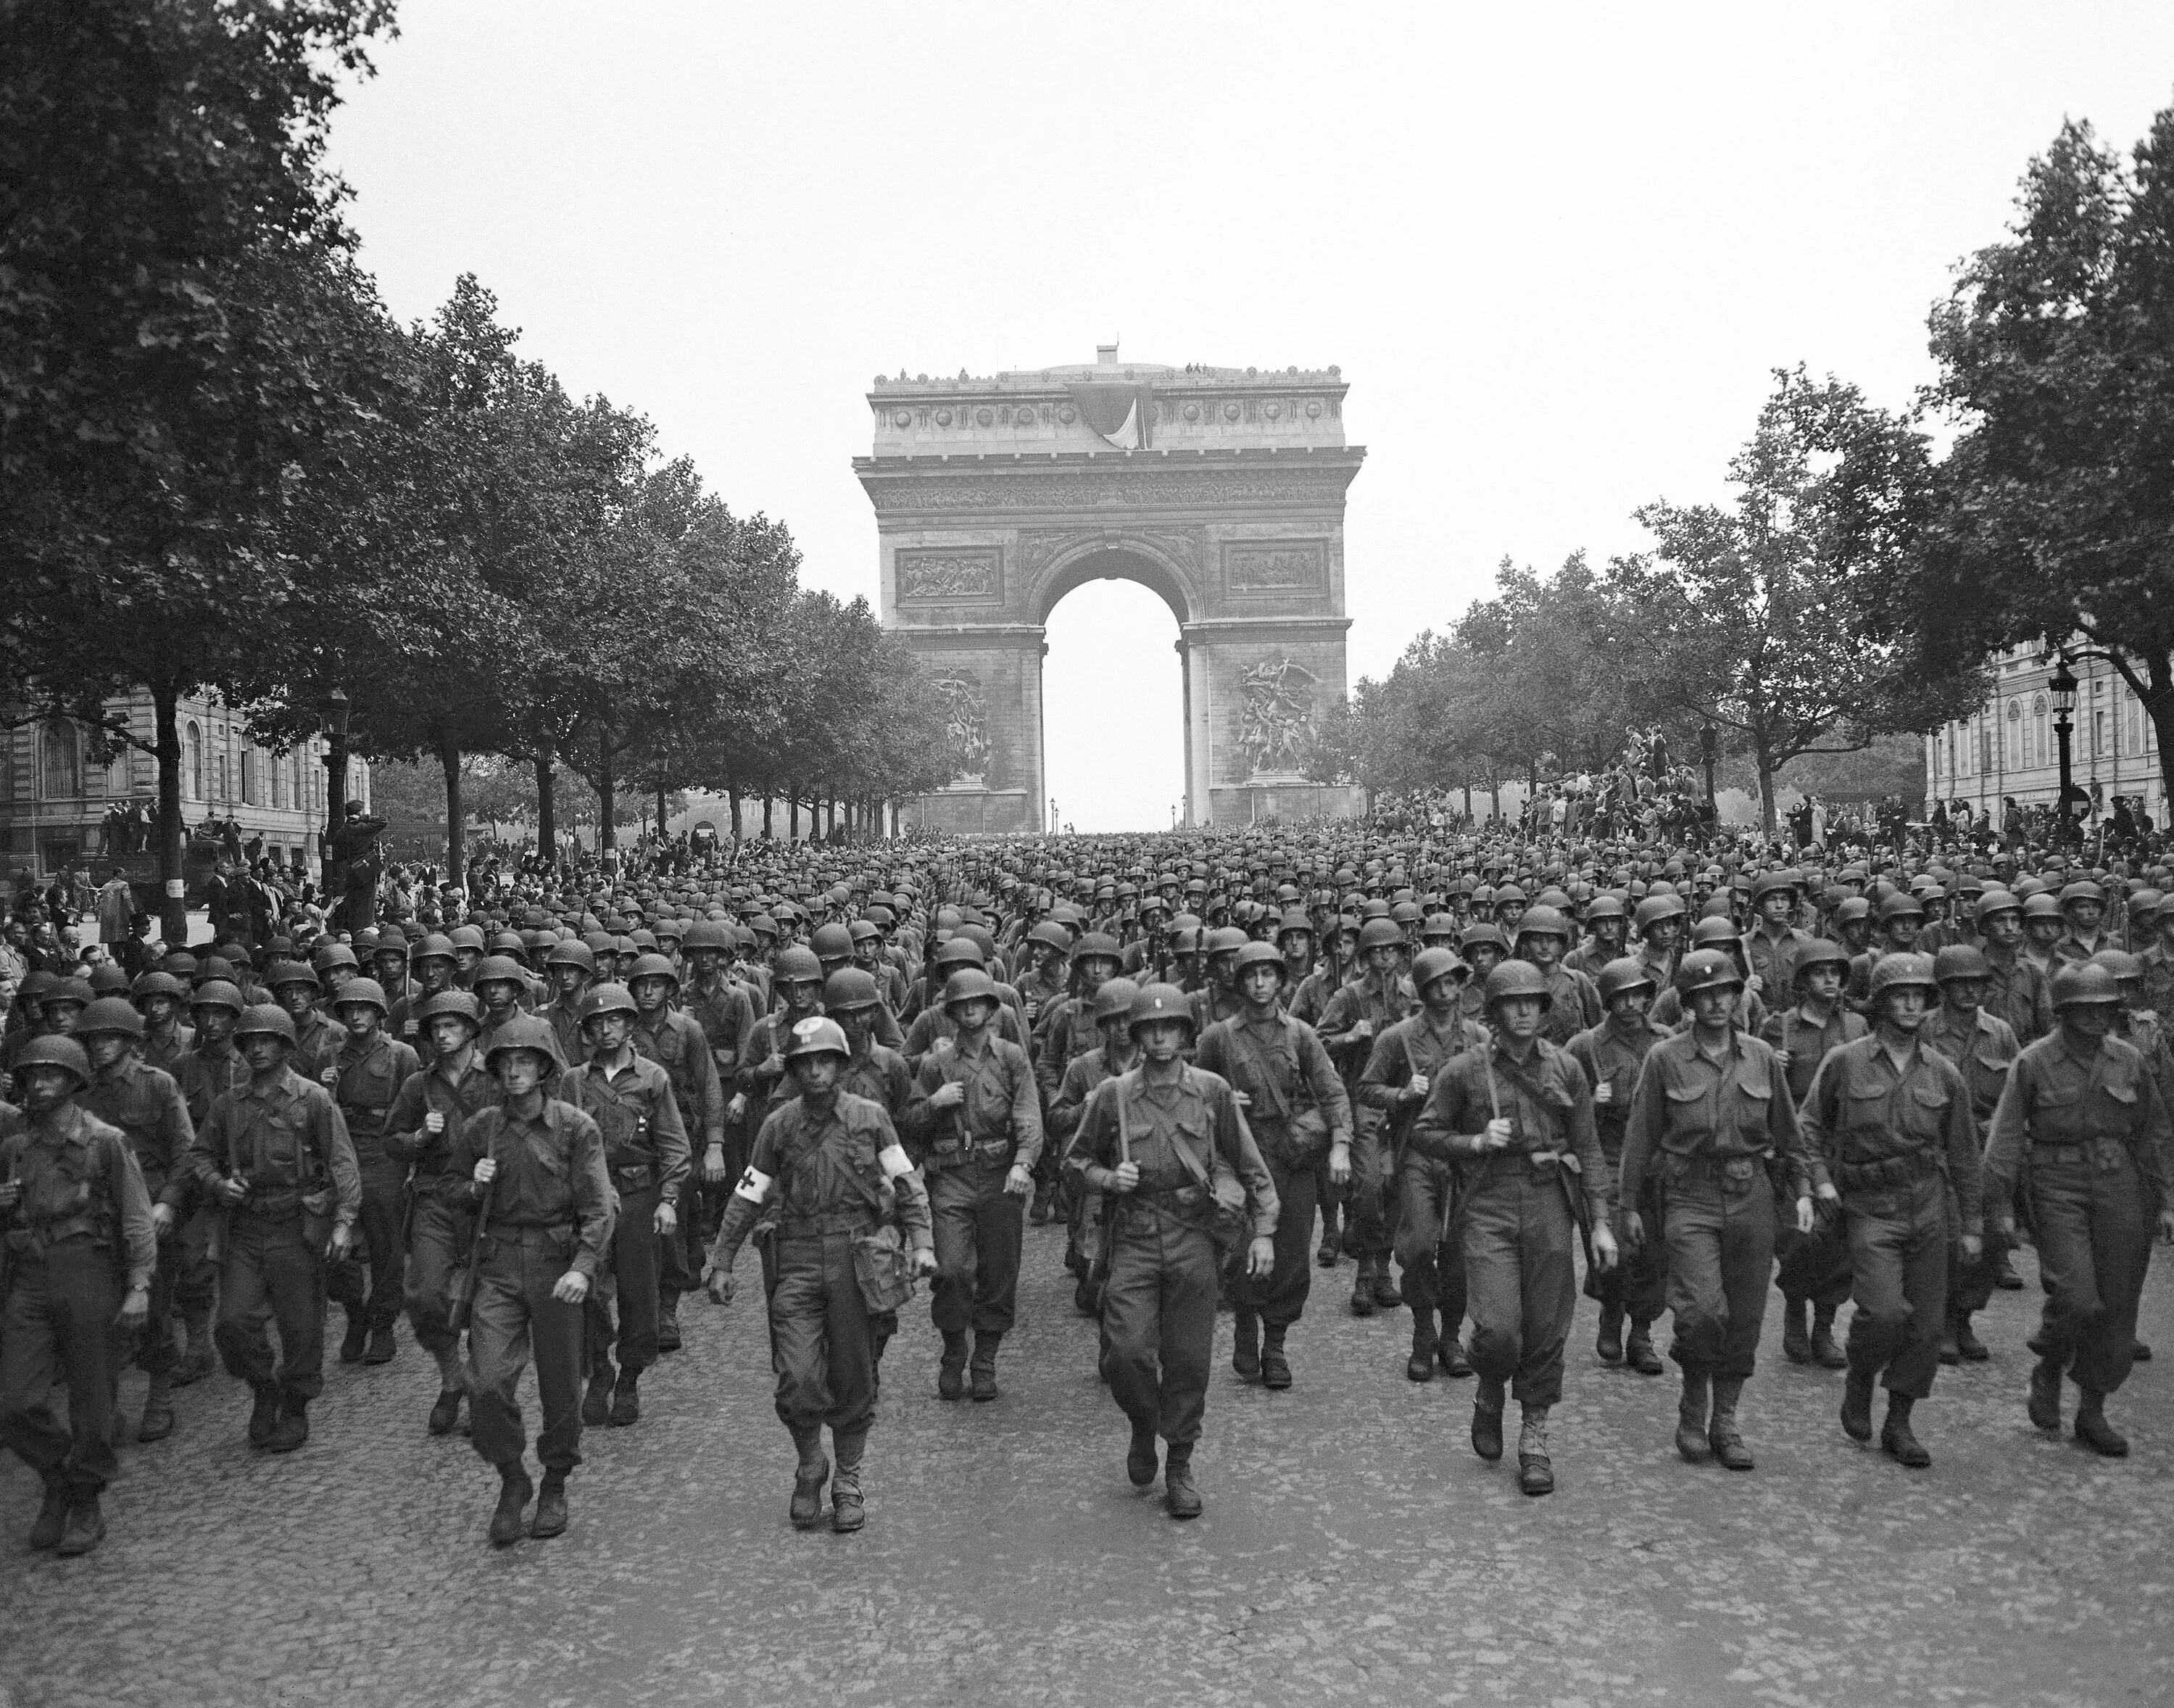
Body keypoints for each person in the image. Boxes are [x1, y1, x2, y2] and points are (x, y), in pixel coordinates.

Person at [705, 1016, 935, 1533]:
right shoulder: (778, 1125)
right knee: (797, 1378)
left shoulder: (871, 1117)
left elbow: (905, 1184)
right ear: (793, 1068)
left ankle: (848, 1479)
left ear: (841, 1063)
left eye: (824, 1060)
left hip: (857, 1256)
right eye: (804, 1063)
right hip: (797, 1257)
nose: (815, 1072)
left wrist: (920, 1241)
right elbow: (747, 1194)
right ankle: (810, 1461)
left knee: (854, 1377)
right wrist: (721, 1260)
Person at [1065, 983, 1277, 1518]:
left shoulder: (1211, 1092)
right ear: (1137, 1036)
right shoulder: (1112, 1094)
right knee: (1126, 1353)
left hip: (1192, 1236)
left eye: (1171, 1028)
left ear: (1186, 1034)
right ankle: (1143, 1421)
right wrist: (1109, 1178)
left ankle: (1179, 1461)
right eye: (1150, 1029)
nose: (1160, 1037)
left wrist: (1266, 1231)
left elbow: (1250, 1166)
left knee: (1187, 1358)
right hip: (1134, 1236)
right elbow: (1074, 1162)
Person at [1407, 960, 1615, 1496]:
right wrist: (1475, 1143)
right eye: (1511, 1003)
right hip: (1489, 1203)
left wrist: (1600, 1224)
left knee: (1547, 1326)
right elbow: (1426, 1134)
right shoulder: (1464, 1070)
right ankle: (1489, 1385)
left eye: (1532, 1002)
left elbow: (1588, 1148)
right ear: (1494, 1011)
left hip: (1549, 1199)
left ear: (1544, 1010)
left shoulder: (1566, 1069)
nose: (1522, 1011)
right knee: (1498, 1329)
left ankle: (1534, 1435)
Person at [1619, 949, 1832, 1471]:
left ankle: (1726, 1419)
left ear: (1738, 997)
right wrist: (1625, 1205)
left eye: (1724, 993)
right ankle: (1693, 1406)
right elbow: (1640, 1137)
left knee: (1743, 1315)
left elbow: (1787, 1132)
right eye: (1703, 996)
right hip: (1688, 1195)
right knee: (1700, 1312)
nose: (1716, 1003)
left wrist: (1802, 1189)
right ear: (1688, 1004)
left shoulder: (1759, 1056)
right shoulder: (1665, 1058)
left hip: (1751, 1194)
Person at [1982, 963, 2174, 1455]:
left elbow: (2153, 1132)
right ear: (2062, 1012)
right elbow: (2004, 1137)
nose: (2096, 1017)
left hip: (2119, 1183)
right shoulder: (2033, 1062)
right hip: (2055, 1180)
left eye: (2103, 1008)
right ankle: (2048, 1363)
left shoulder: (2127, 1060)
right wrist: (1998, 1206)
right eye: (2084, 1009)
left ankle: (2091, 1410)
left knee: (2115, 1306)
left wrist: (2165, 1200)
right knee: (2075, 1296)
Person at [1798, 955, 1983, 1467]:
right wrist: (1819, 1181)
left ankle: (1899, 1420)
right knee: (1881, 1312)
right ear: (1879, 1002)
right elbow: (1809, 1126)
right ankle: (1860, 1377)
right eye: (1899, 995)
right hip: (1866, 1205)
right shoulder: (1845, 1061)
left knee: (1925, 1327)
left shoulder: (1943, 1073)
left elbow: (1965, 1155)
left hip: (1926, 1203)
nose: (1909, 1004)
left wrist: (1971, 1226)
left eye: (1918, 996)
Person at [454, 1014, 614, 1545]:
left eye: (525, 1062)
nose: (515, 1072)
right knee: (484, 1380)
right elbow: (448, 1201)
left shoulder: (575, 1127)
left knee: (561, 1385)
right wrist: (472, 1188)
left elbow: (597, 1208)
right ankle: (512, 1478)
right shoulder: (482, 1128)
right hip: (498, 1266)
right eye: (506, 1063)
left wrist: (582, 1268)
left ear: (544, 1068)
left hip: (555, 1264)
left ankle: (555, 1480)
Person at [0, 1035, 157, 1555]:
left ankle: (85, 1499)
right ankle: (59, 1474)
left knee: (93, 1398)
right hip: (30, 1275)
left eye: (50, 1075)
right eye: (31, 1077)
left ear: (72, 1082)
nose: (39, 1085)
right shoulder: (16, 1149)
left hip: (89, 1271)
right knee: (15, 1403)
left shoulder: (106, 1141)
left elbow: (136, 1217)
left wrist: (139, 1285)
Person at [187, 1003, 361, 1453]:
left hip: (295, 1224)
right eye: (252, 1041)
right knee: (231, 1323)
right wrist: (218, 1183)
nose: (259, 1049)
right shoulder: (229, 1104)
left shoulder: (313, 1099)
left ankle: (296, 1404)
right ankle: (264, 1387)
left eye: (269, 1041)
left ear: (285, 1047)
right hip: (244, 1227)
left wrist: (343, 1224)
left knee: (301, 1327)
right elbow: (200, 1155)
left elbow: (342, 1163)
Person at [1196, 941, 1351, 1390]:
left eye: (1268, 975)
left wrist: (1340, 1146)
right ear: (1240, 982)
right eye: (1251, 975)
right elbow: (1193, 1094)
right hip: (1241, 1156)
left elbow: (1333, 1092)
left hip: (1291, 1154)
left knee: (1289, 1254)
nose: (1261, 984)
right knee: (1244, 1247)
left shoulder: (1301, 1034)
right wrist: (1223, 1099)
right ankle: (1246, 1323)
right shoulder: (1218, 1037)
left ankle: (1276, 1344)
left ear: (1281, 980)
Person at [559, 981, 691, 1427]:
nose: (607, 1029)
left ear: (630, 1024)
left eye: (614, 1019)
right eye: (597, 1022)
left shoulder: (652, 1078)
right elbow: (562, 1144)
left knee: (640, 1295)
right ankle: (599, 1369)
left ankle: (630, 1376)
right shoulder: (574, 1082)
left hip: (639, 1195)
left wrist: (669, 1199)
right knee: (587, 1290)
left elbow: (673, 1145)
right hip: (591, 1200)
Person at [912, 966, 1042, 1402]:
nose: (971, 1011)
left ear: (991, 1009)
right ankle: (953, 1349)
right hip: (951, 1177)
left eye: (978, 1004)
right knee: (951, 1270)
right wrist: (934, 1103)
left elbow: (1028, 1115)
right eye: (962, 1005)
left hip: (1000, 1176)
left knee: (999, 1273)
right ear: (951, 1012)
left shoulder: (1010, 1057)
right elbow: (909, 1122)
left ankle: (985, 1358)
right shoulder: (936, 1064)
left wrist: (1024, 1163)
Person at [1357, 946, 1486, 1382]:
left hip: (1466, 1156)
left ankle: (1450, 1338)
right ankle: (1422, 1333)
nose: (1447, 992)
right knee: (1416, 1248)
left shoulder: (1478, 1039)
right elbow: (1368, 1088)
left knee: (1459, 1254)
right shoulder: (1398, 1038)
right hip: (1417, 1152)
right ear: (1424, 990)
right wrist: (1402, 1094)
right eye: (1437, 985)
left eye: (1453, 982)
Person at [72, 996, 194, 1443]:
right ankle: (107, 1407)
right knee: (98, 1313)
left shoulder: (157, 1084)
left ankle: (159, 1396)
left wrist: (169, 1202)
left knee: (154, 1310)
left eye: (111, 1038)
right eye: (94, 1039)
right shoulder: (79, 1091)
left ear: (128, 1041)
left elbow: (185, 1149)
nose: (102, 1046)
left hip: (150, 1210)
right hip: (96, 1212)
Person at [382, 989, 502, 1435]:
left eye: (452, 1026)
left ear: (471, 1030)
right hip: (436, 1196)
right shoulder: (419, 1084)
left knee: (487, 1302)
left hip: (490, 1201)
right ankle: (455, 1377)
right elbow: (391, 1142)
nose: (442, 1035)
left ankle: (484, 1390)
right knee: (425, 1296)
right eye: (436, 1028)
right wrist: (417, 1138)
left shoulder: (497, 1075)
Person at [1758, 940, 1864, 1368]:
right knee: (1800, 1237)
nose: (1829, 980)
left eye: (1835, 973)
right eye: (1819, 973)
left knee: (1839, 1243)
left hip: (1842, 1145)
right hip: (1793, 1150)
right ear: (1802, 981)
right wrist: (1773, 1067)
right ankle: (1795, 1314)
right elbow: (1758, 1092)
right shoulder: (1778, 1028)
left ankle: (1824, 1327)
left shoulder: (1857, 1027)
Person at [1567, 957, 1672, 1375]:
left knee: (1655, 1249)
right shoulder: (1585, 1046)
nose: (1630, 1005)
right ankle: (1611, 1311)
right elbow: (1557, 1103)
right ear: (1607, 1002)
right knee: (1613, 1244)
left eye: (1637, 996)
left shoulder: (1665, 1042)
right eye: (1620, 998)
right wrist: (1593, 1099)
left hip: (1656, 1158)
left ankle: (1642, 1331)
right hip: (1605, 1154)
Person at [1920, 945, 2020, 1364]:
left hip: (1986, 1150)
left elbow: (2018, 1093)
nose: (1967, 991)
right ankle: (1941, 1321)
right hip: (1936, 1150)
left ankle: (1965, 1317)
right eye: (1958, 983)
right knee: (1945, 1237)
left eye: (1976, 983)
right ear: (1942, 988)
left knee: (1989, 1237)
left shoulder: (2000, 1033)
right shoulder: (1922, 1030)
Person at [325, 977, 420, 1368]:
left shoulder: (402, 1055)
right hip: (342, 1153)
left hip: (384, 1154)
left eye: (365, 1008)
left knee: (385, 1247)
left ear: (380, 1013)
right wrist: (324, 1087)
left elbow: (412, 1109)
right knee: (333, 1246)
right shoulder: (330, 1056)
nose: (357, 1015)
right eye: (349, 1009)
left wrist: (411, 1159)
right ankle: (354, 1313)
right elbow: (320, 1114)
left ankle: (382, 1323)